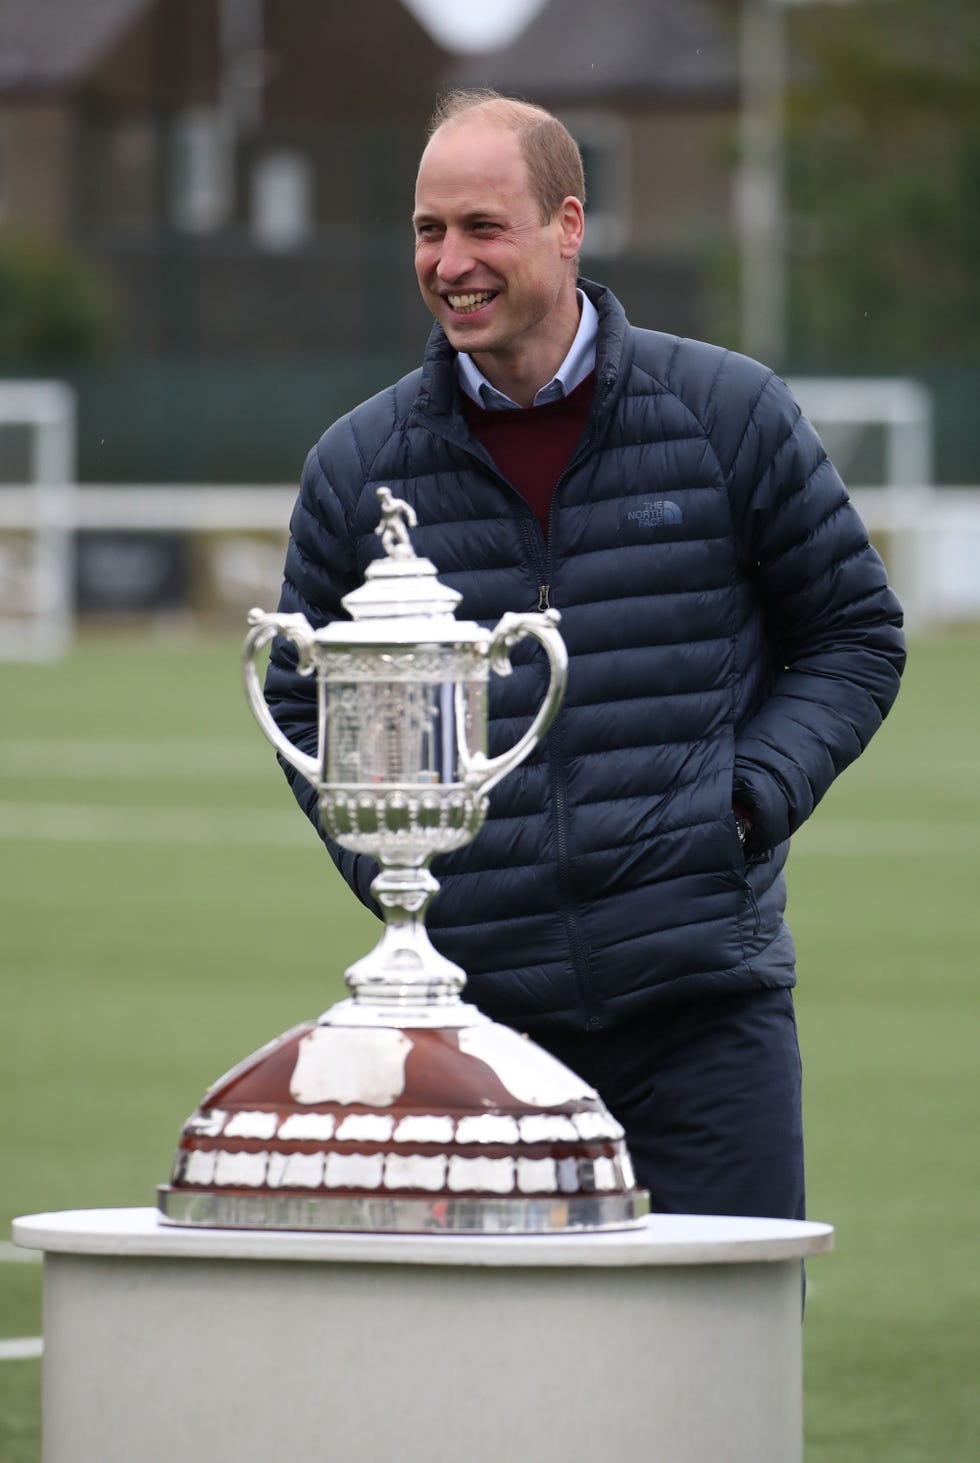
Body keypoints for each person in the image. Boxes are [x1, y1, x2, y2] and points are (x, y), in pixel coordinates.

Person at [263, 89, 906, 1221]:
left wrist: (743, 803)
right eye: (427, 230)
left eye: (480, 227)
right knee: (499, 1386)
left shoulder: (726, 413)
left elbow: (851, 635)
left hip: (702, 1009)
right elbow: (298, 691)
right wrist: (404, 872)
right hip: (473, 1030)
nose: (449, 260)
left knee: (720, 1369)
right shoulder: (357, 464)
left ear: (567, 224)